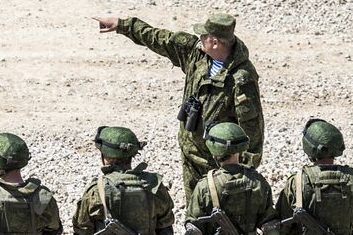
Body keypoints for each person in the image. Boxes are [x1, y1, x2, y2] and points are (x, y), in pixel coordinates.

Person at [94, 11, 264, 198]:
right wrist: (122, 25)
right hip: (190, 154)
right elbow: (160, 38)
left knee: (221, 213)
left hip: (218, 162)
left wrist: (242, 172)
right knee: (195, 213)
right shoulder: (196, 54)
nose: (200, 39)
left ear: (215, 43)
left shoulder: (242, 78)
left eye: (204, 36)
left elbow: (252, 128)